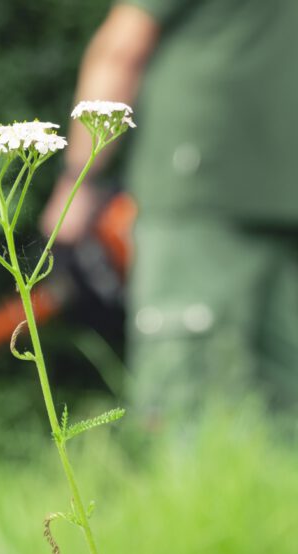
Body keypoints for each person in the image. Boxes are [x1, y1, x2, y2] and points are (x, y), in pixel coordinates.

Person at [42, 0, 298, 418]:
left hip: (198, 178)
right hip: (285, 193)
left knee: (186, 400)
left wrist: (78, 183)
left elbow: (120, 48)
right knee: (286, 400)